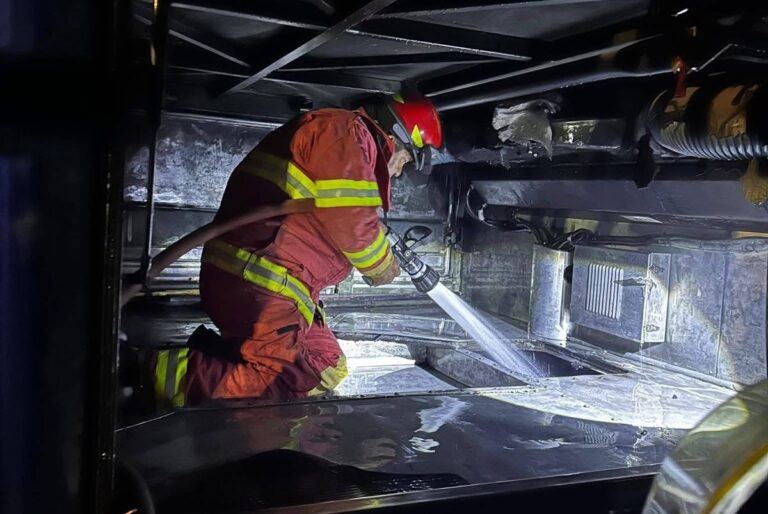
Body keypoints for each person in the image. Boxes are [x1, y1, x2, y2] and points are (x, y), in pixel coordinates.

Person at [152, 95, 443, 406]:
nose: (397, 173)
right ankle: (145, 373)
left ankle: (217, 360)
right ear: (395, 137)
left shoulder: (348, 141)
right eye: (404, 160)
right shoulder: (343, 132)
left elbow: (341, 215)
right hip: (258, 280)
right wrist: (381, 264)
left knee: (326, 365)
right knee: (285, 379)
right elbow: (351, 217)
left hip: (269, 281)